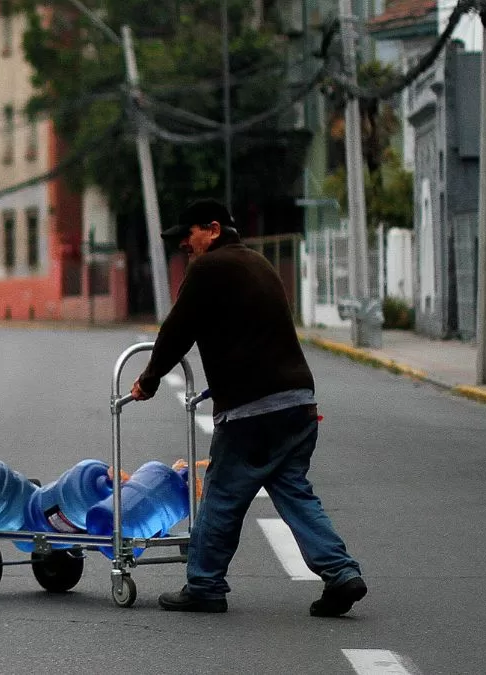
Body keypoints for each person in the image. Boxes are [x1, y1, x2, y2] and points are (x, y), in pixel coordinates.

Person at [130, 199, 366, 617]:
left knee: (222, 494)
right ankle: (341, 572)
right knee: (293, 492)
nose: (184, 244)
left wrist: (148, 381)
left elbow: (177, 330)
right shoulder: (258, 264)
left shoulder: (209, 269)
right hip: (299, 403)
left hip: (252, 413)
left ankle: (204, 585)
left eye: (189, 234)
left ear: (214, 228)